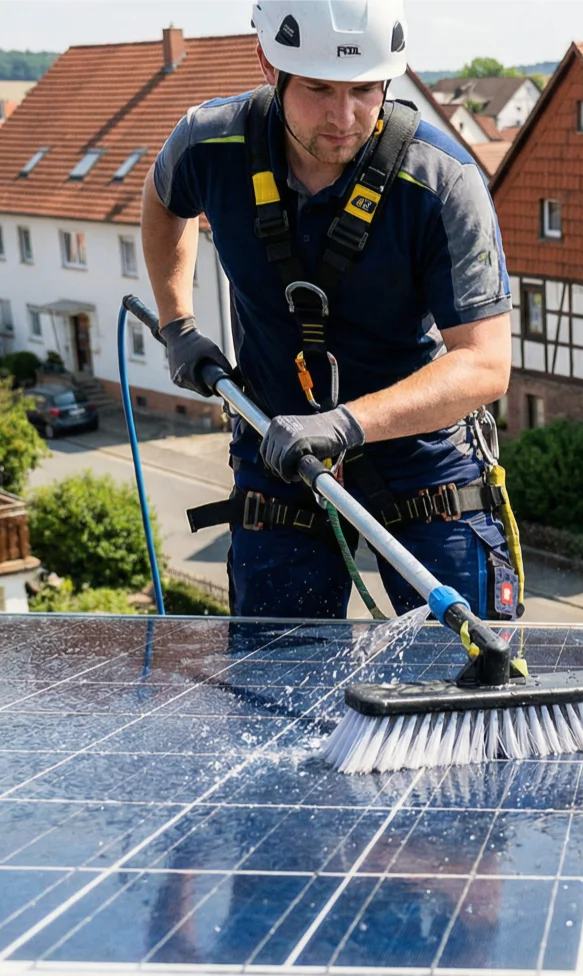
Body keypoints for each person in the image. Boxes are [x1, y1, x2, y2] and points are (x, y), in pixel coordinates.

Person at [142, 0, 520, 621]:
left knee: (462, 678)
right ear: (270, 64)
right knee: (274, 687)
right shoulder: (213, 143)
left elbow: (484, 365)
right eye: (318, 88)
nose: (343, 117)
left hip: (423, 465)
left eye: (364, 90)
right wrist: (177, 324)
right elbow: (163, 200)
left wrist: (345, 423)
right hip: (276, 451)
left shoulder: (443, 181)